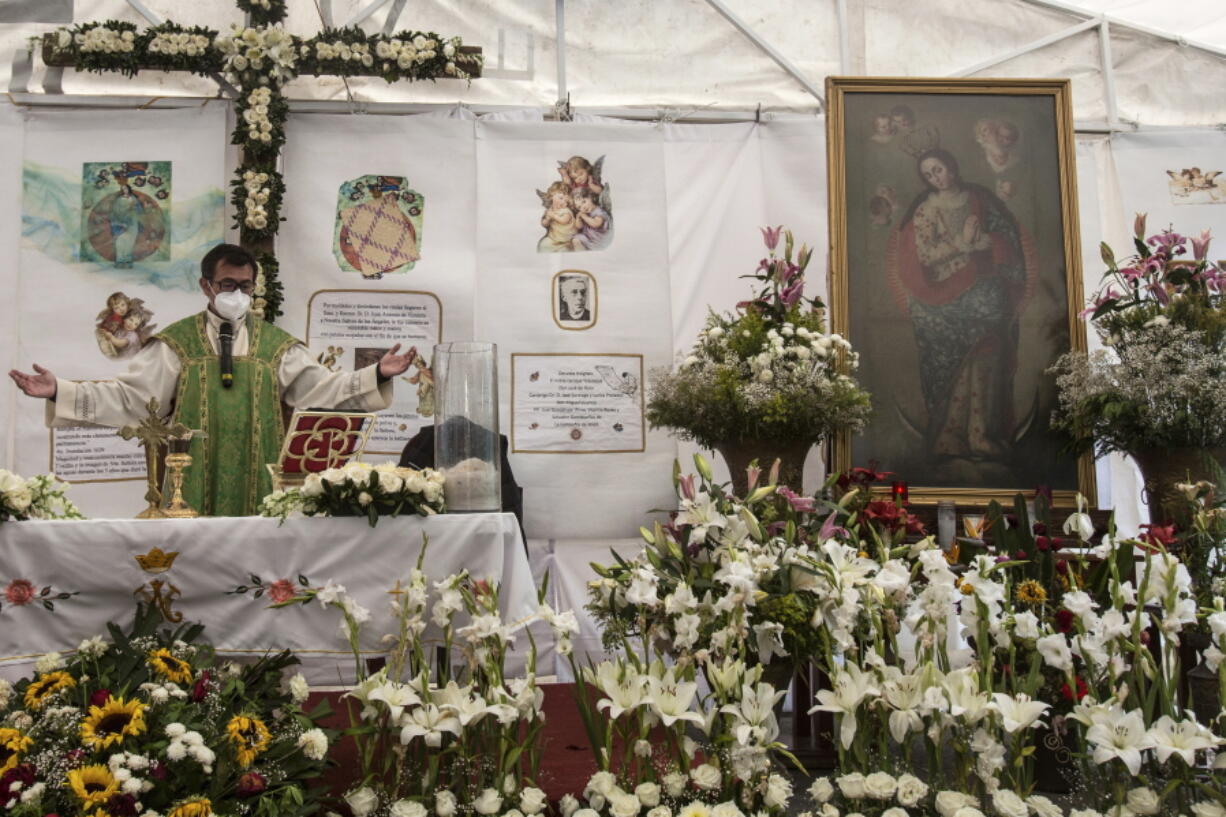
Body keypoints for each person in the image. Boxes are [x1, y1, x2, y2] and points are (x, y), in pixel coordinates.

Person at [9, 243, 419, 516]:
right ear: (206, 285)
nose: (236, 293)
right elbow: (132, 398)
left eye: (245, 285)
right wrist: (60, 390)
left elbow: (322, 389)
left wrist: (376, 374)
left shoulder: (275, 345)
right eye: (227, 284)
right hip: (190, 481)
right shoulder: (177, 343)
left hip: (262, 476)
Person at [886, 148, 1035, 463]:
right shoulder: (926, 210)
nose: (935, 177)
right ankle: (950, 438)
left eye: (938, 169)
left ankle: (983, 435)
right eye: (928, 174)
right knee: (956, 364)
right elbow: (924, 256)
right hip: (943, 298)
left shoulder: (980, 200)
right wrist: (963, 244)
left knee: (988, 355)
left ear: (952, 167)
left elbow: (1006, 236)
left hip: (986, 292)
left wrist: (987, 243)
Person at [537, 182, 577, 252]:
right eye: (561, 198)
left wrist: (553, 216)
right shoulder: (550, 210)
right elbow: (544, 224)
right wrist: (548, 219)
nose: (564, 202)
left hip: (566, 240)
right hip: (554, 239)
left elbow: (564, 220)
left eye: (566, 201)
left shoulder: (566, 210)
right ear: (552, 196)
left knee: (564, 251)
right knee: (543, 245)